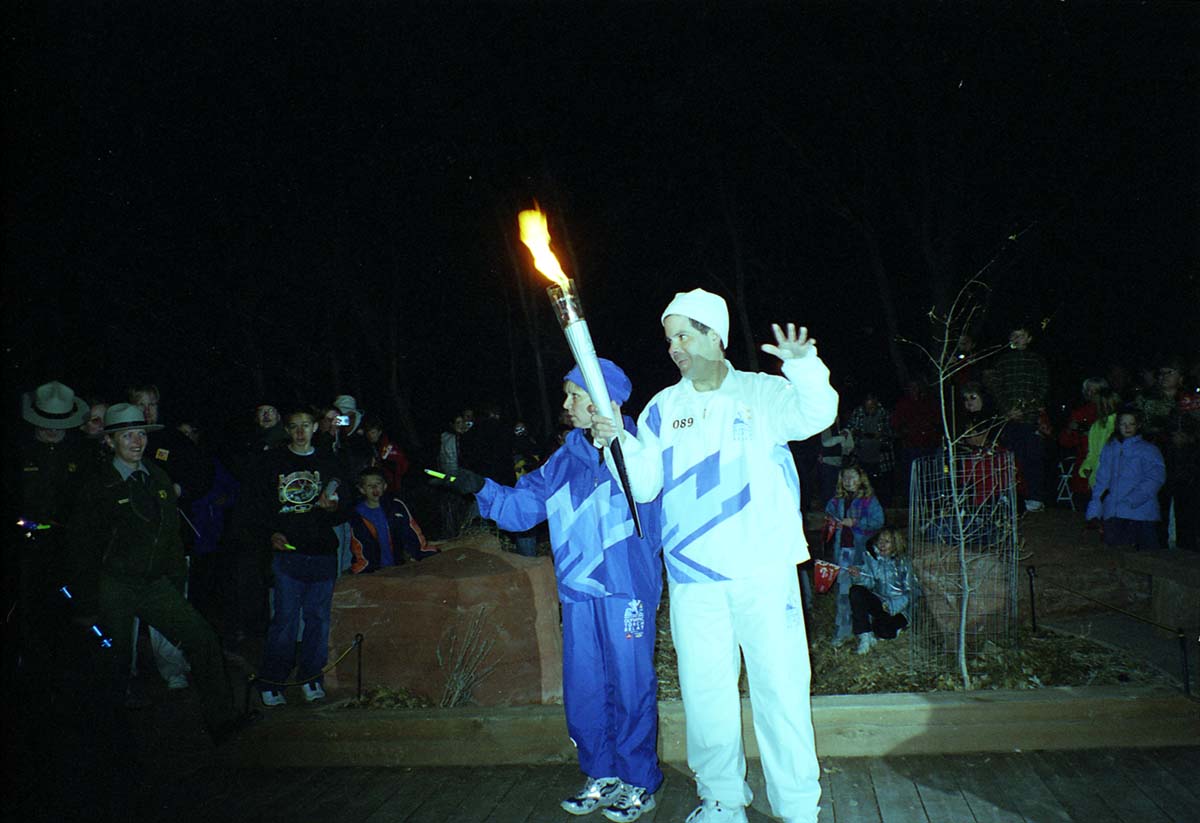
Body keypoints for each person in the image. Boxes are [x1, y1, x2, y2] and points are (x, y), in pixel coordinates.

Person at [591, 288, 837, 823]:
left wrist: (805, 367)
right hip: (693, 577)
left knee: (782, 691)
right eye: (669, 337)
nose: (675, 346)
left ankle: (797, 807)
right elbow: (647, 485)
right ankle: (723, 798)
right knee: (707, 696)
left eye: (685, 334)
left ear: (714, 335)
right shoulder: (662, 408)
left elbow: (815, 414)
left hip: (764, 571)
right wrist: (618, 444)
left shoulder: (762, 394)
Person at [436, 359, 663, 822]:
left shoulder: (641, 448)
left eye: (574, 395)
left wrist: (617, 441)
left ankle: (639, 781)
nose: (565, 404)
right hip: (579, 590)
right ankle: (601, 772)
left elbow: (652, 497)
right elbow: (522, 508)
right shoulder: (565, 457)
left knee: (632, 686)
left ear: (605, 400)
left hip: (626, 590)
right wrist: (478, 487)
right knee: (585, 686)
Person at [64, 404, 242, 741]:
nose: (136, 441)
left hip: (155, 585)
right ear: (110, 441)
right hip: (113, 584)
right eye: (127, 435)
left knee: (202, 639)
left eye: (141, 433)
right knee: (115, 663)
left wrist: (174, 583)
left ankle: (222, 721)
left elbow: (171, 538)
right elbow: (81, 548)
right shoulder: (96, 485)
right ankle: (108, 743)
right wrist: (86, 605)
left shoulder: (157, 476)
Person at [235, 408, 350, 706]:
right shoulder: (270, 462)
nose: (300, 432)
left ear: (315, 427)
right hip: (286, 553)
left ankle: (311, 678)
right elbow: (253, 506)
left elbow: (348, 504)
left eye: (306, 426)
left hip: (323, 552)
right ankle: (272, 680)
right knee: (285, 620)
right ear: (287, 430)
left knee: (318, 620)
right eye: (294, 426)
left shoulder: (329, 460)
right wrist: (269, 533)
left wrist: (333, 507)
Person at [1085, 409, 1165, 551]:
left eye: (1131, 424)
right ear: (1118, 425)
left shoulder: (1149, 450)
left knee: (1145, 560)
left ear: (1138, 425)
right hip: (1114, 513)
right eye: (1123, 424)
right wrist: (1094, 512)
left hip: (1141, 515)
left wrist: (1133, 500)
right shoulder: (1110, 448)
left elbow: (1155, 478)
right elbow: (1102, 481)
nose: (1127, 428)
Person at [824, 464, 884, 647]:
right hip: (843, 552)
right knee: (843, 593)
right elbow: (827, 519)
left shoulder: (869, 501)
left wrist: (856, 522)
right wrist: (831, 524)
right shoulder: (836, 501)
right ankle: (843, 632)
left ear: (861, 480)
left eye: (853, 477)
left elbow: (878, 522)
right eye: (845, 477)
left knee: (863, 592)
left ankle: (868, 632)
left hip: (862, 554)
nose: (849, 481)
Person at [993, 323, 1050, 512]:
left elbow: (1043, 387)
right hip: (1008, 419)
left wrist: (1027, 408)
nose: (1017, 339)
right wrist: (1008, 410)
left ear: (1029, 338)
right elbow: (997, 388)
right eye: (1014, 335)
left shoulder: (1036, 361)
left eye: (1021, 335)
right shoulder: (1002, 361)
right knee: (1008, 458)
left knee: (1032, 458)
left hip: (1030, 418)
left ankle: (1035, 497)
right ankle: (1009, 495)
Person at [348, 466, 435, 572]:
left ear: (385, 485)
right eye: (369, 485)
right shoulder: (358, 513)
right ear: (362, 489)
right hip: (373, 569)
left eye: (378, 484)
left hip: (398, 564)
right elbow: (357, 544)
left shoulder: (396, 506)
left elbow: (412, 530)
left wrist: (421, 552)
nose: (375, 488)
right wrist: (363, 568)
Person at [847, 527, 915, 655]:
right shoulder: (872, 559)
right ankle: (865, 637)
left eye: (887, 541)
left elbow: (912, 591)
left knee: (884, 633)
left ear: (895, 544)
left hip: (899, 608)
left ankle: (899, 626)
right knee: (856, 591)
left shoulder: (904, 562)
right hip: (880, 603)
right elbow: (869, 583)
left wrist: (892, 606)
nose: (882, 544)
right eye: (880, 541)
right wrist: (858, 575)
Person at [891, 379, 942, 504]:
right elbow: (895, 423)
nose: (914, 390)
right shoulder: (903, 404)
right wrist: (904, 432)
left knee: (929, 476)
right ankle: (913, 502)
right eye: (911, 387)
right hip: (911, 446)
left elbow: (937, 421)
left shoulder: (928, 403)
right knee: (912, 476)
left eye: (916, 387)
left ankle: (930, 502)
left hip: (929, 446)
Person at [847, 392, 895, 506]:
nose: (870, 409)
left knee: (882, 486)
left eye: (872, 406)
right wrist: (859, 434)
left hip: (881, 458)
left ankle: (883, 507)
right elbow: (850, 430)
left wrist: (882, 435)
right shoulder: (857, 413)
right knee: (863, 484)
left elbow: (892, 432)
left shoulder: (884, 413)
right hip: (862, 456)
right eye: (867, 406)